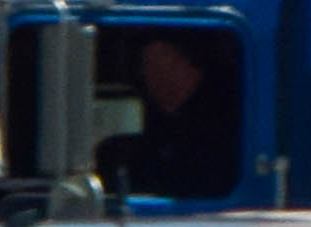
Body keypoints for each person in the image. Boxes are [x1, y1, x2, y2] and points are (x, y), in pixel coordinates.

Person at [95, 33, 240, 200]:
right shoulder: (156, 124)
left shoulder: (221, 122)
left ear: (179, 61)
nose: (147, 75)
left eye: (155, 64)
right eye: (144, 66)